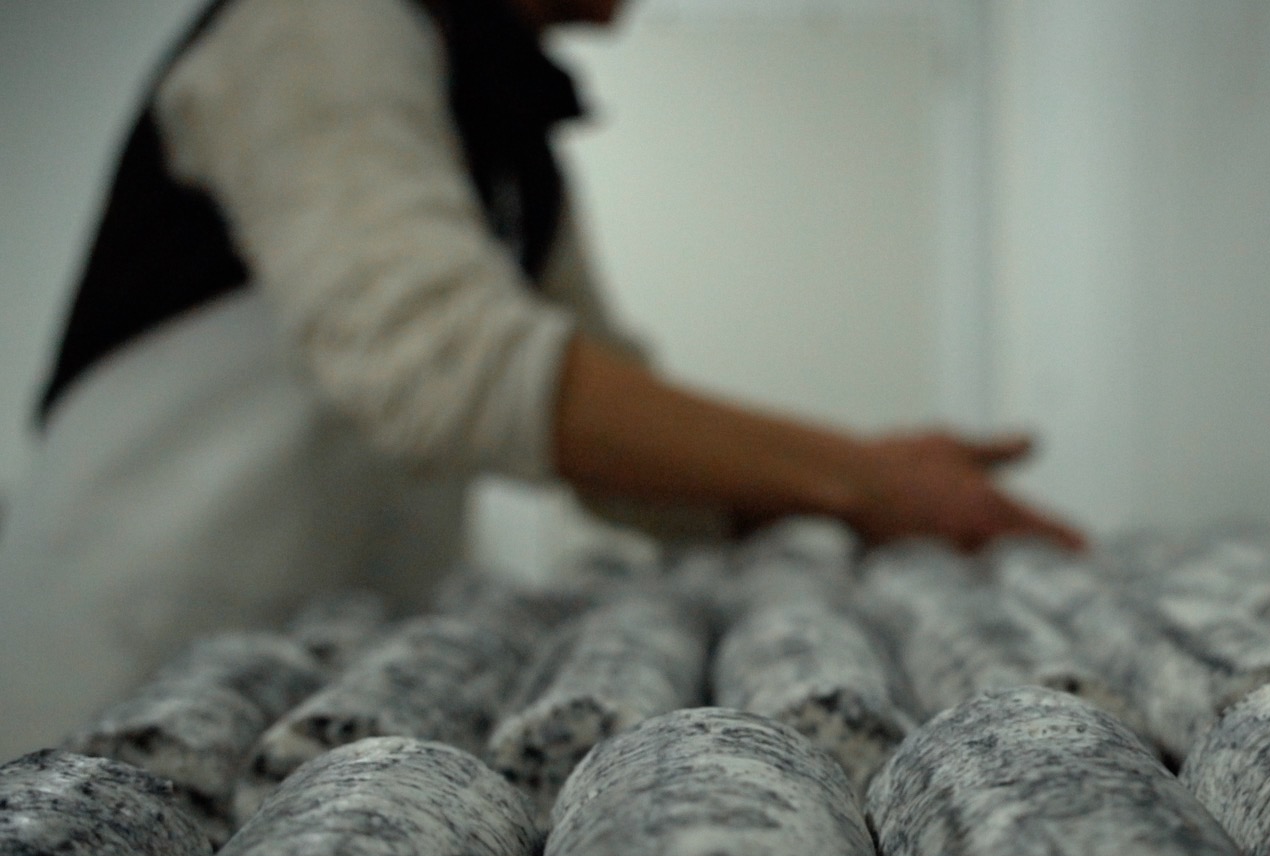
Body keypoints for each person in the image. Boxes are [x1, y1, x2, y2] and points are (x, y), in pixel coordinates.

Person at [0, 0, 1081, 761]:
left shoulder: (506, 126)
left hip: (326, 666)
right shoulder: (318, 23)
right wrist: (864, 481)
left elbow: (606, 419)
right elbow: (443, 365)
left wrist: (859, 485)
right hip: (119, 668)